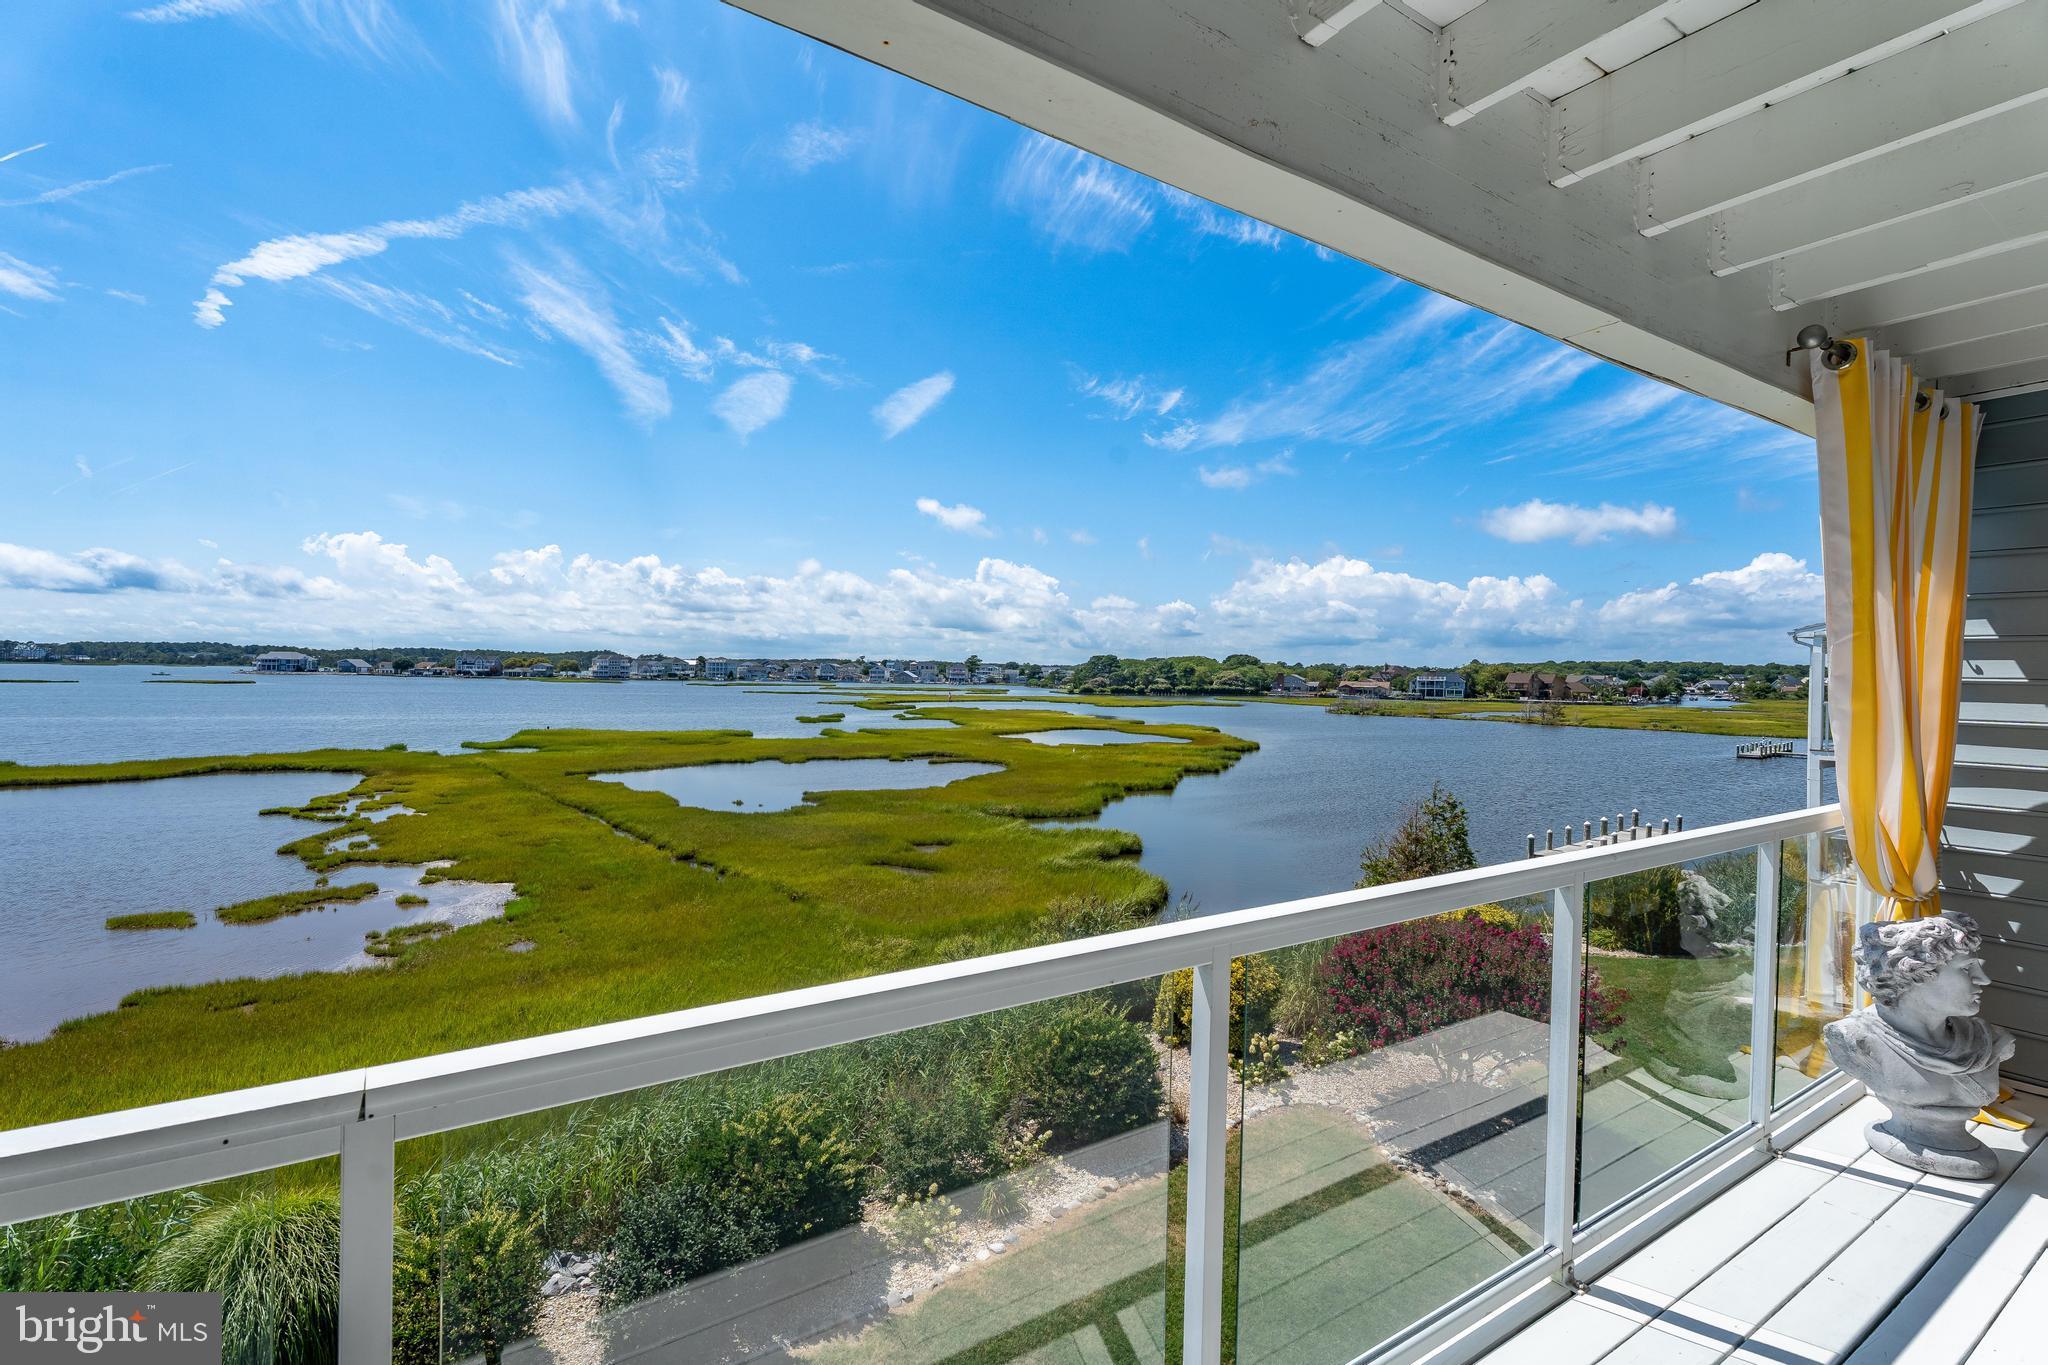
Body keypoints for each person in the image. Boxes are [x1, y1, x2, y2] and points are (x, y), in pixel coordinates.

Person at [1821, 912, 2013, 1178]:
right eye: (1967, 968)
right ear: (1914, 974)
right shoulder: (1855, 1040)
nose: (1983, 979)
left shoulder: (1989, 1040)